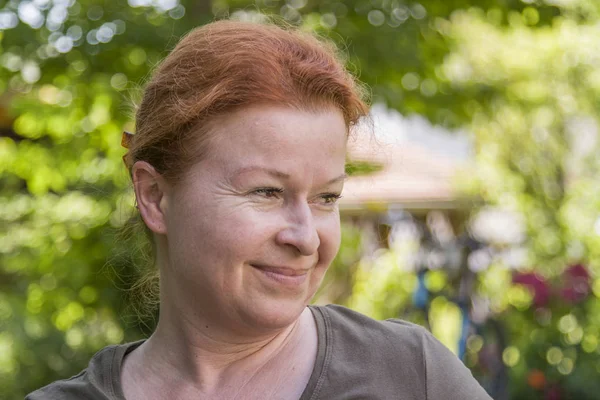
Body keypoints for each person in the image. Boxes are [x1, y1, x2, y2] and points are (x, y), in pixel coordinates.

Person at [27, 19, 492, 400]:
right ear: (154, 196)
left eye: (326, 197)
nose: (306, 237)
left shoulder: (413, 376)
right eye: (267, 192)